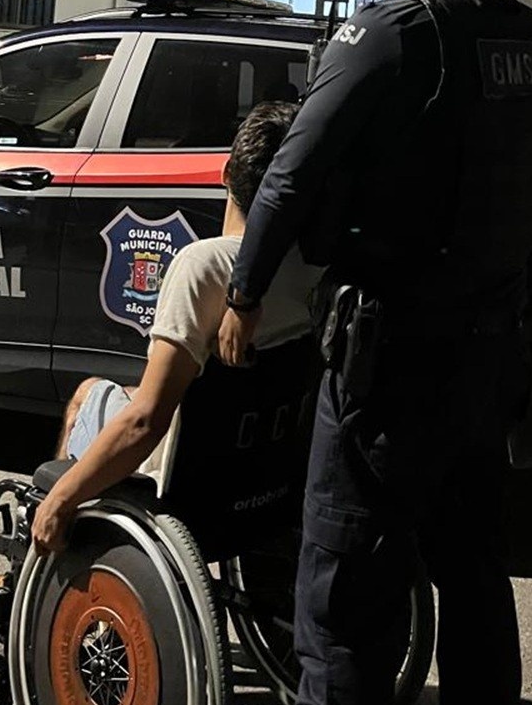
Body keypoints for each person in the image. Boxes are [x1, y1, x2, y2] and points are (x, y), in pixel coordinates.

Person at [217, 0, 532, 705]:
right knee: (475, 574)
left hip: (394, 367)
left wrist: (243, 296)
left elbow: (288, 176)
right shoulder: (525, 33)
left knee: (344, 592)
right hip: (488, 360)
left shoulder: (389, 34)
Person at [31, 100, 318, 554]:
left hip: (190, 489)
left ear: (226, 175)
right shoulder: (312, 264)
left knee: (91, 394)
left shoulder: (204, 266)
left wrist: (60, 500)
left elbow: (146, 421)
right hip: (264, 483)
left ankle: (59, 558)